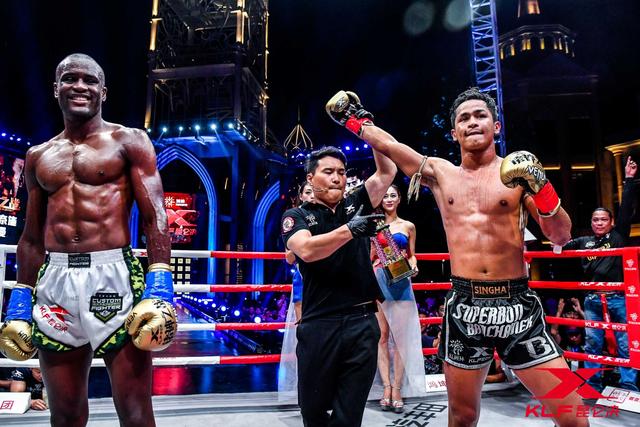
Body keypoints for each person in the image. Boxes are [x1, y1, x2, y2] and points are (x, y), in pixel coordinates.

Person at [327, 88, 587, 427]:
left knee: (573, 415)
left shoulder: (518, 176)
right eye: (464, 118)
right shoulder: (441, 173)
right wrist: (354, 119)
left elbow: (561, 235)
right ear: (454, 132)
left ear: (496, 126)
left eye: (480, 115)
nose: (472, 122)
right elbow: (391, 146)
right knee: (462, 417)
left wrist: (542, 187)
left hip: (518, 307)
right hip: (465, 306)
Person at [0, 53, 177, 427]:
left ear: (103, 92)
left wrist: (159, 285)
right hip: (56, 283)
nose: (79, 86)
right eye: (70, 78)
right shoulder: (38, 156)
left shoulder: (128, 140)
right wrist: (20, 299)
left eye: (89, 80)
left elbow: (156, 215)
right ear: (56, 89)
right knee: (65, 414)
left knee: (135, 410)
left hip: (113, 276)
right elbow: (31, 238)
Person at [281, 144, 396, 426]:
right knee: (313, 412)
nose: (337, 178)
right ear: (310, 178)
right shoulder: (295, 216)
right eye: (328, 171)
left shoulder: (357, 202)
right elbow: (306, 250)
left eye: (342, 172)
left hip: (362, 321)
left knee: (349, 416)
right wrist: (350, 230)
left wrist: (366, 130)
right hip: (319, 323)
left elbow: (387, 171)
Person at [562, 156, 638, 392]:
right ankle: (593, 384)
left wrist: (629, 180)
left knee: (625, 342)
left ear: (612, 222)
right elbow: (560, 246)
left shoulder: (618, 236)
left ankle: (628, 386)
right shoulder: (583, 242)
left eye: (604, 219)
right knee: (593, 343)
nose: (599, 223)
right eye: (595, 220)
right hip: (593, 299)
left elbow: (626, 210)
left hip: (617, 297)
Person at [370, 184, 425, 413]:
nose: (389, 199)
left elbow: (412, 256)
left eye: (393, 195)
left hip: (401, 281)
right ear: (380, 200)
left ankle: (397, 388)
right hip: (380, 280)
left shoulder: (408, 226)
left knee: (400, 339)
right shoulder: (373, 226)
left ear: (399, 199)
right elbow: (369, 257)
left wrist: (414, 266)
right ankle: (386, 387)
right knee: (382, 336)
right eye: (385, 196)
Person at [278, 181, 315, 403]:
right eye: (307, 192)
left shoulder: (328, 215)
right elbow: (289, 258)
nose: (311, 196)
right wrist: (303, 243)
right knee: (306, 337)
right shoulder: (293, 218)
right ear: (301, 195)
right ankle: (306, 391)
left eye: (314, 191)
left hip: (328, 282)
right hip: (303, 280)